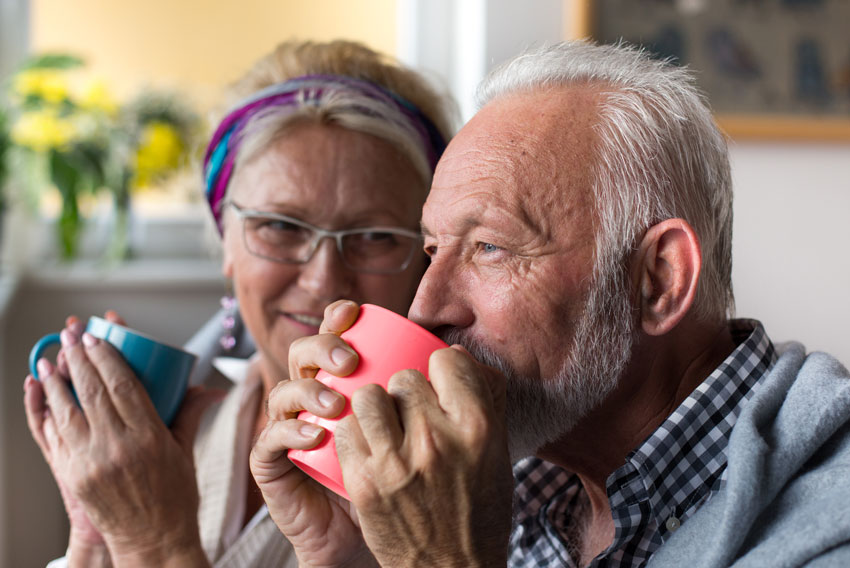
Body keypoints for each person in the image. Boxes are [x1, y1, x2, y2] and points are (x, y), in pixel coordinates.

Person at [251, 40, 850, 567]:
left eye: (490, 247)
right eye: (433, 250)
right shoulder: (530, 487)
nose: (424, 310)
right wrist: (362, 558)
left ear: (659, 281)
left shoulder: (828, 521)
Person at [23, 39, 454, 567]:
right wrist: (94, 539)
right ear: (224, 241)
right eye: (280, 226)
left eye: (375, 236)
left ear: (425, 257)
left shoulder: (446, 484)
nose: (324, 280)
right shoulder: (178, 433)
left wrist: (152, 544)